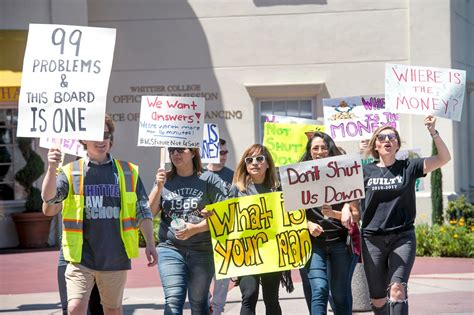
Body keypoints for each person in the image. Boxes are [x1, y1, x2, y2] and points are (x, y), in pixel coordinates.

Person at [41, 115, 157, 315]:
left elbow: (143, 210)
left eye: (105, 134)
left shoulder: (127, 171)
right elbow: (49, 199)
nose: (101, 139)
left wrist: (150, 243)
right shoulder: (70, 171)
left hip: (115, 257)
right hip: (80, 258)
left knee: (112, 309)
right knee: (75, 308)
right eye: (95, 135)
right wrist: (52, 168)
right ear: (83, 140)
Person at [361, 115, 450, 315]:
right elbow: (347, 195)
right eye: (382, 137)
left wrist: (433, 132)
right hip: (371, 239)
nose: (387, 140)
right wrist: (348, 209)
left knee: (397, 289)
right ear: (375, 144)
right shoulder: (364, 171)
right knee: (377, 298)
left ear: (397, 144)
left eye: (392, 137)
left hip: (402, 238)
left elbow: (444, 159)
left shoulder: (409, 167)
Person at [149, 146, 227, 315]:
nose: (175, 154)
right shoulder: (164, 179)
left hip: (202, 250)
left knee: (199, 303)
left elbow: (224, 216)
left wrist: (196, 228)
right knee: (173, 300)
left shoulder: (209, 179)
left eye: (180, 150)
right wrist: (158, 187)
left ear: (193, 152)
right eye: (172, 151)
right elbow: (149, 213)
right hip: (170, 249)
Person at [299, 131, 360, 315]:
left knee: (340, 294)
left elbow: (356, 215)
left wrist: (336, 213)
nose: (319, 151)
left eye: (324, 148)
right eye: (315, 148)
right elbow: (290, 214)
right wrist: (307, 224)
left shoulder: (345, 175)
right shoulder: (299, 177)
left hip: (340, 243)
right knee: (319, 289)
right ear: (309, 152)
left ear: (330, 150)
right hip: (313, 245)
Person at [228, 144, 290, 315]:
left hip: (272, 250)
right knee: (249, 294)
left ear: (268, 163)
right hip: (246, 251)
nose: (254, 163)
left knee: (271, 298)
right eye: (249, 160)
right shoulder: (237, 189)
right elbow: (225, 216)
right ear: (245, 165)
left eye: (259, 159)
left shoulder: (278, 188)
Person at [42, 202, 104, 315]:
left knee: (98, 308)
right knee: (70, 308)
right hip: (70, 251)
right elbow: (49, 210)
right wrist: (50, 186)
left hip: (100, 251)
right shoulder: (68, 183)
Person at [201, 138, 234, 315]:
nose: (223, 156)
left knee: (223, 279)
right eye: (219, 152)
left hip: (225, 237)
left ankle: (217, 310)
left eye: (225, 152)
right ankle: (206, 307)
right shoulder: (199, 175)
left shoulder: (234, 176)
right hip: (202, 238)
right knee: (202, 279)